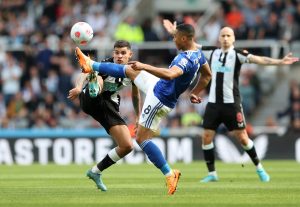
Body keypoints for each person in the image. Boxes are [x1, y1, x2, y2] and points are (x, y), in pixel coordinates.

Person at [75, 23, 212, 195]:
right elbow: (207, 75)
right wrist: (195, 92)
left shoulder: (183, 59)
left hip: (159, 98)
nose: (173, 39)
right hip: (158, 86)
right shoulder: (198, 55)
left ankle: (170, 174)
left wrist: (145, 66)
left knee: (141, 139)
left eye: (175, 37)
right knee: (131, 70)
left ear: (184, 39)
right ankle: (91, 65)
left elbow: (171, 74)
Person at [163, 20, 299, 183]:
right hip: (213, 104)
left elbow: (259, 59)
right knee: (206, 136)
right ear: (219, 39)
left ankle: (259, 167)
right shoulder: (212, 52)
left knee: (242, 138)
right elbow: (190, 42)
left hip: (232, 104)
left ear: (233, 38)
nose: (226, 38)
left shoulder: (238, 55)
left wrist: (279, 62)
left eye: (229, 35)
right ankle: (212, 173)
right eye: (223, 36)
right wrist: (174, 32)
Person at [68, 40, 141, 191]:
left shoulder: (133, 71)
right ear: (113, 53)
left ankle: (95, 171)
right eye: (116, 53)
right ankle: (95, 86)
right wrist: (78, 87)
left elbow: (135, 95)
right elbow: (85, 72)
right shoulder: (106, 64)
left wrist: (138, 115)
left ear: (130, 55)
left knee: (127, 145)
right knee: (98, 75)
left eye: (123, 53)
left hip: (108, 104)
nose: (119, 56)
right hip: (90, 98)